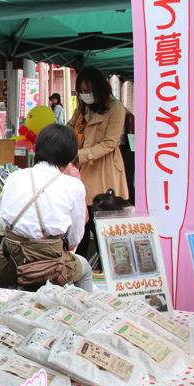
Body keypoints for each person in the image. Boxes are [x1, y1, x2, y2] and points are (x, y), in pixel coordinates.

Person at [0, 124, 93, 292]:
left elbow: (5, 219)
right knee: (85, 269)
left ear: (37, 148)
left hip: (10, 263)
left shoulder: (14, 177)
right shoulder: (73, 185)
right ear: (70, 157)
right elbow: (74, 238)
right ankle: (85, 317)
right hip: (51, 266)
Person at [67, 67, 128, 258]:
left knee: (101, 224)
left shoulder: (116, 107)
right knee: (81, 225)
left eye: (88, 90)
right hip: (82, 169)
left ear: (99, 88)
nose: (85, 95)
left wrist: (81, 155)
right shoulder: (83, 107)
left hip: (104, 170)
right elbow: (70, 126)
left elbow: (110, 143)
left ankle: (107, 268)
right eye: (82, 91)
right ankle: (81, 269)